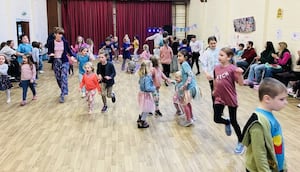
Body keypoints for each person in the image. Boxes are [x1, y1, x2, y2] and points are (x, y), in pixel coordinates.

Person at [242, 78, 288, 172]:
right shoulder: (258, 123)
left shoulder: (269, 116)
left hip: (275, 166)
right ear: (267, 99)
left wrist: (283, 166)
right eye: (282, 99)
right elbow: (259, 154)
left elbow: (278, 145)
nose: (286, 102)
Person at [213, 47, 244, 154]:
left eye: (222, 55)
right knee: (216, 118)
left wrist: (240, 75)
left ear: (229, 57)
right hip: (219, 97)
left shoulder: (232, 69)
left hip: (230, 97)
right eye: (219, 55)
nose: (219, 57)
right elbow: (215, 79)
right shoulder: (216, 68)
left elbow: (241, 84)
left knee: (234, 121)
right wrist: (214, 90)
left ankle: (241, 142)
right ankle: (227, 122)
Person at [47, 27, 75, 103]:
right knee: (58, 78)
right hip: (56, 61)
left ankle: (63, 94)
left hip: (64, 61)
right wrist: (51, 54)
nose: (61, 35)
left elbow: (69, 51)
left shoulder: (65, 42)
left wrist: (72, 57)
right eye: (59, 34)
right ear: (55, 34)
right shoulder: (51, 43)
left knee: (63, 76)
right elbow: (49, 51)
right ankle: (63, 89)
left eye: (61, 34)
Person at [177, 49, 199, 127]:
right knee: (187, 102)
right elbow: (186, 76)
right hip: (190, 87)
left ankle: (189, 120)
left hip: (190, 87)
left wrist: (185, 85)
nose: (178, 57)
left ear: (185, 57)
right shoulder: (185, 64)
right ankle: (191, 116)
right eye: (178, 56)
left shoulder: (184, 64)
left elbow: (190, 75)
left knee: (184, 103)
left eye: (180, 56)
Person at [200, 36, 220, 107]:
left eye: (214, 43)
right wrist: (206, 74)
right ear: (208, 44)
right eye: (211, 43)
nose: (213, 45)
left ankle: (220, 106)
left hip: (220, 74)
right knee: (214, 91)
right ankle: (215, 106)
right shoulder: (206, 53)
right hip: (211, 75)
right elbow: (204, 65)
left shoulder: (219, 50)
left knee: (220, 91)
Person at [136, 61, 156, 128]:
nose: (152, 68)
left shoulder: (142, 75)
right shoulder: (147, 77)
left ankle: (140, 118)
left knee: (144, 108)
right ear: (148, 68)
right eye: (151, 66)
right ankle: (142, 121)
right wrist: (154, 88)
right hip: (145, 95)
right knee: (146, 109)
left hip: (141, 94)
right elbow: (147, 88)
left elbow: (139, 83)